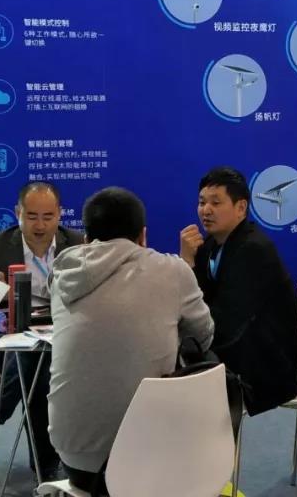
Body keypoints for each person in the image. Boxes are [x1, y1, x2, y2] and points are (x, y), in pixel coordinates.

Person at [48, 187, 214, 494]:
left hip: (75, 457)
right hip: (148, 457)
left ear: (86, 238)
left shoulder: (63, 273)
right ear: (143, 235)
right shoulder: (173, 270)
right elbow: (203, 336)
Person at [0, 182, 84, 482]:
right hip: (12, 344)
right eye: (32, 216)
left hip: (66, 341)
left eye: (48, 217)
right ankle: (46, 467)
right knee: (32, 360)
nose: (40, 226)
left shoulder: (78, 246)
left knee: (37, 363)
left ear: (60, 214)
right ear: (18, 213)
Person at [179, 166, 297, 416]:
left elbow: (225, 323)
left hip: (264, 363)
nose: (206, 210)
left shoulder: (253, 250)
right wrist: (189, 261)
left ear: (241, 207)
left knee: (182, 378)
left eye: (216, 202)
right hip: (239, 346)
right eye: (202, 202)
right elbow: (200, 302)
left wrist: (187, 264)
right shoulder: (211, 243)